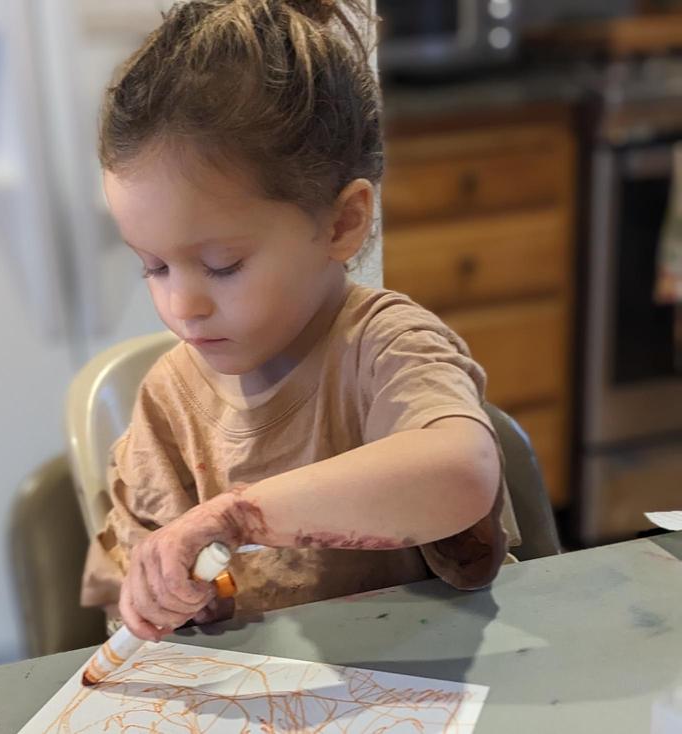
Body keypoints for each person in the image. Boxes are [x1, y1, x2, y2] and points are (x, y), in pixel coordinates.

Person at [81, 0, 520, 642]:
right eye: (154, 268)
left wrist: (241, 516)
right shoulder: (167, 406)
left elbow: (460, 473)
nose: (184, 306)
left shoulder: (383, 346)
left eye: (222, 264)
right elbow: (127, 604)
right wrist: (161, 597)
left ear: (342, 223)